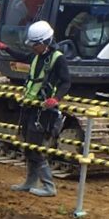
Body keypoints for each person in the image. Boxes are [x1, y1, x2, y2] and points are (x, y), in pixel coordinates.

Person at [11, 20, 71, 197]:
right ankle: (30, 182)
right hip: (31, 106)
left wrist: (56, 98)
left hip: (44, 110)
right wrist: (4, 48)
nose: (32, 47)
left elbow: (66, 81)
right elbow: (21, 56)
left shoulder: (57, 58)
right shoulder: (37, 56)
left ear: (44, 42)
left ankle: (49, 186)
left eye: (35, 44)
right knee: (29, 147)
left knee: (35, 148)